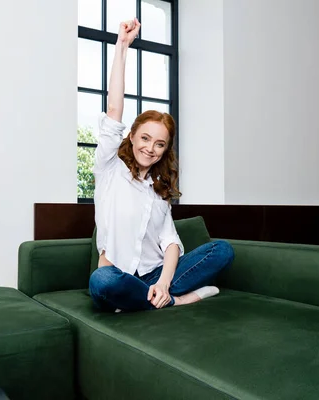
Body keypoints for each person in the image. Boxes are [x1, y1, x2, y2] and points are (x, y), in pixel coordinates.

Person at [88, 18, 234, 313]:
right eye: (144, 138)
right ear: (131, 135)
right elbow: (114, 108)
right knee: (103, 281)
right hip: (118, 276)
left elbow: (170, 245)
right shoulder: (109, 168)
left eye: (159, 144)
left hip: (156, 277)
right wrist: (122, 46)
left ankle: (156, 298)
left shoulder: (159, 190)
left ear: (166, 149)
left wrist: (164, 284)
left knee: (222, 250)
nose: (149, 148)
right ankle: (175, 301)